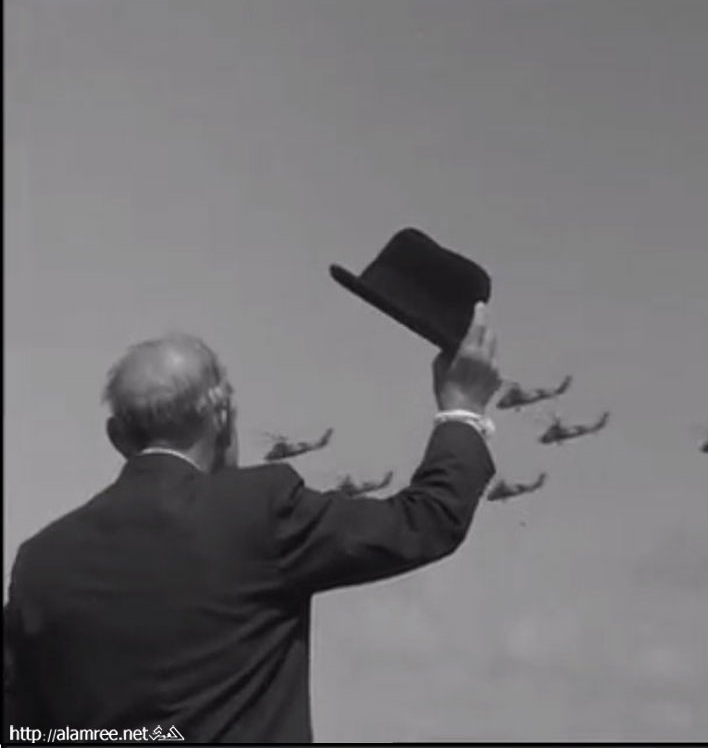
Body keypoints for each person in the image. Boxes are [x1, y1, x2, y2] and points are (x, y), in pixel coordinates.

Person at [4, 303, 501, 743]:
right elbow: (425, 521)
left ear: (117, 435)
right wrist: (462, 409)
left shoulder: (39, 563)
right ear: (221, 415)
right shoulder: (260, 509)